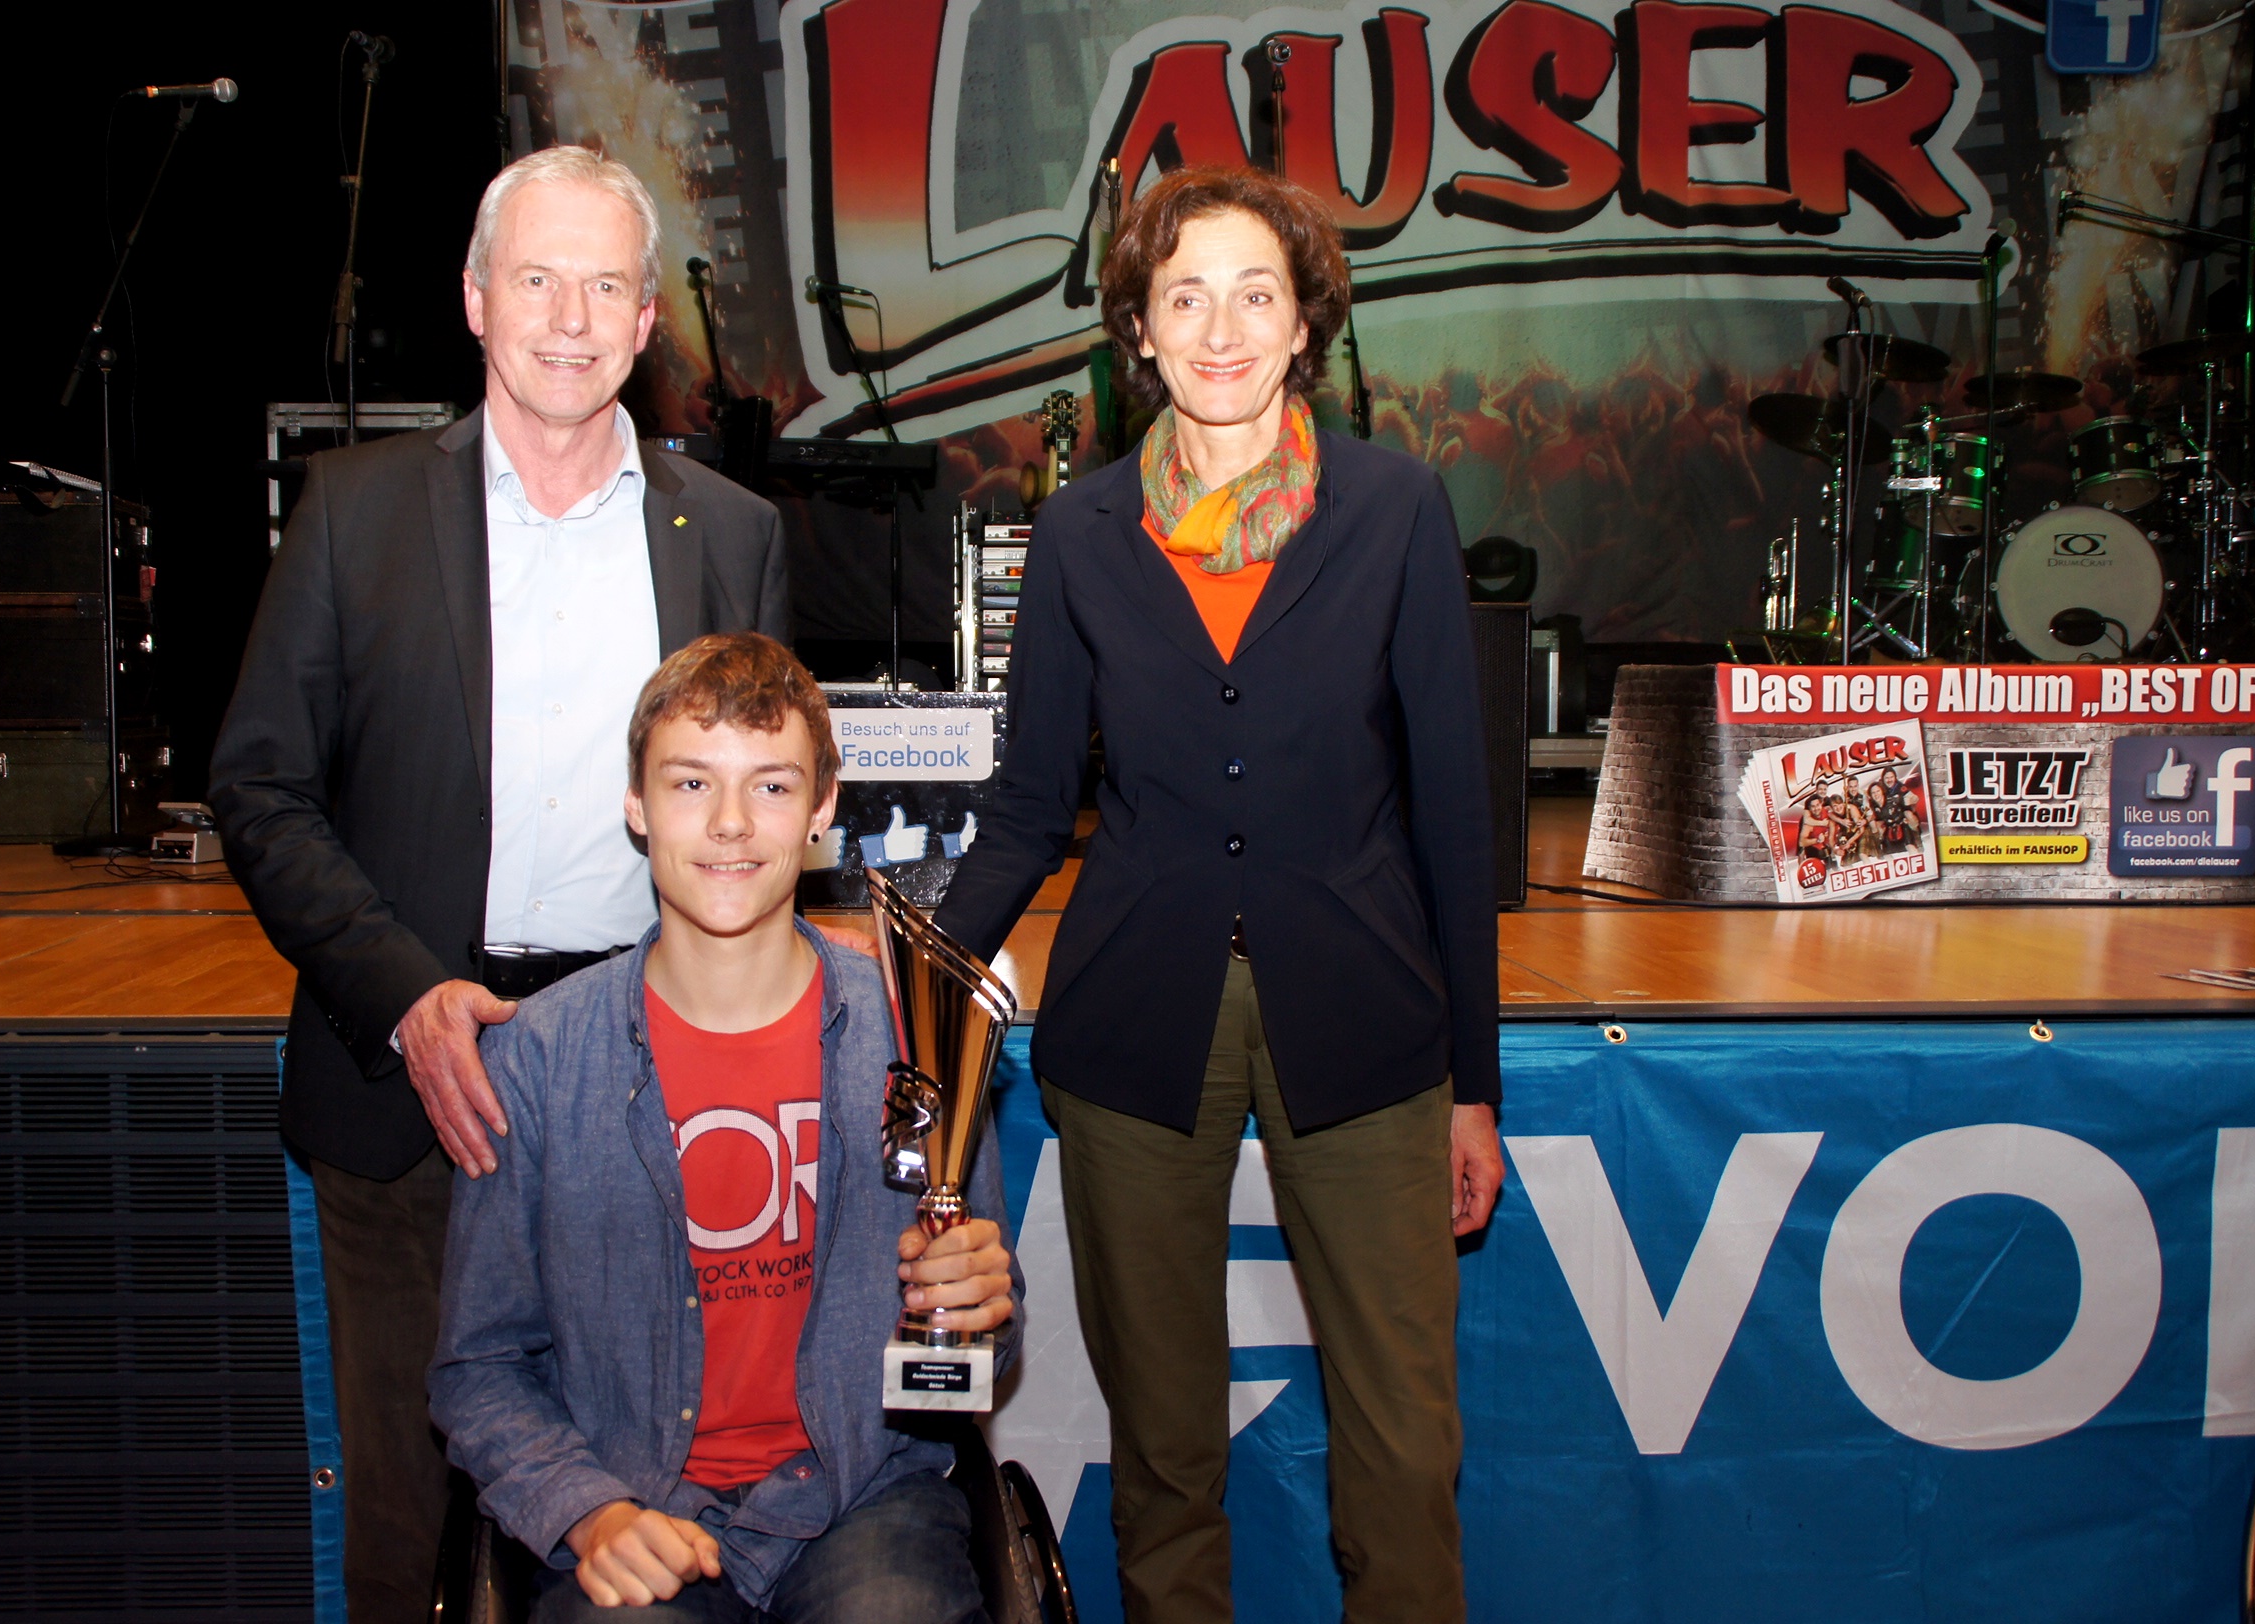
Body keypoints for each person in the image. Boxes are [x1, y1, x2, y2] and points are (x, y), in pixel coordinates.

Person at [209, 146, 789, 1621]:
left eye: (604, 287)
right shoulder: (352, 512)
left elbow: (758, 823)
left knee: (639, 1523)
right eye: (537, 279)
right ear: (476, 299)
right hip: (410, 1075)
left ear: (647, 320)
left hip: (652, 1077)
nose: (569, 320)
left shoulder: (732, 535)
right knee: (411, 1531)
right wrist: (409, 1000)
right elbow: (260, 788)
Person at [932, 166, 1502, 1624]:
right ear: (1139, 329)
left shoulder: (1395, 508)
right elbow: (1029, 805)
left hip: (1366, 1014)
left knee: (1404, 1449)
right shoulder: (1081, 533)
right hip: (1137, 1019)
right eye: (1186, 297)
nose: (1223, 328)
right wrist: (909, 976)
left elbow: (1452, 810)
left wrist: (1475, 1085)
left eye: (1257, 294)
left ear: (1306, 324)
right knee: (1164, 1456)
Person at [431, 633, 1021, 1622]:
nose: (731, 824)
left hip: (862, 1499)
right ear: (636, 803)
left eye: (773, 786)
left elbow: (974, 1359)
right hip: (632, 1498)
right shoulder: (537, 1058)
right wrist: (587, 1513)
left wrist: (978, 1312)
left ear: (824, 809)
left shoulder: (917, 1036)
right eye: (692, 783)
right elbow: (477, 1367)